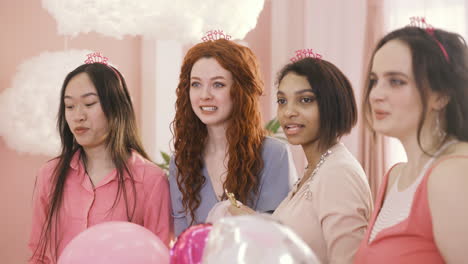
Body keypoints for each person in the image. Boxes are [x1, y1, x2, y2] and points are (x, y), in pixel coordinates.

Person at [229, 54, 373, 263]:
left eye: (305, 100)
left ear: (333, 104)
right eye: (282, 101)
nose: (288, 112)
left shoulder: (338, 173)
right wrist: (255, 223)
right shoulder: (315, 169)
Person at [28, 59, 172, 263]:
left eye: (89, 104)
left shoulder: (151, 180)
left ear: (116, 107)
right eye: (70, 106)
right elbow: (39, 254)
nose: (78, 116)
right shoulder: (50, 174)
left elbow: (160, 254)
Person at [353, 25, 468, 263]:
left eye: (396, 81)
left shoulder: (454, 174)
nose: (375, 94)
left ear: (441, 95)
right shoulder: (393, 177)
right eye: (375, 80)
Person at [169, 38, 296, 236]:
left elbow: (279, 238)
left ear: (240, 91)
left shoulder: (274, 155)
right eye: (196, 84)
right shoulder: (181, 161)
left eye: (218, 84)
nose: (204, 95)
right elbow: (182, 240)